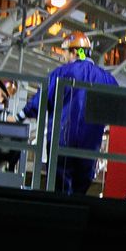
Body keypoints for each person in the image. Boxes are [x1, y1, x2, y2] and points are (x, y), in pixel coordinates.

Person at [24, 32, 117, 195]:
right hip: (90, 145)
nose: (63, 57)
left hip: (62, 142)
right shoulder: (106, 79)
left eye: (65, 52)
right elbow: (119, 108)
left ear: (74, 52)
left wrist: (19, 116)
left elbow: (40, 101)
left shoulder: (61, 73)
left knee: (59, 189)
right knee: (79, 192)